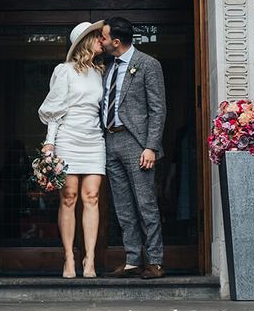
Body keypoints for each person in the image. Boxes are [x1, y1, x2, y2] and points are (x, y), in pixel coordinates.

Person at [38, 21, 107, 279]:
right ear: (84, 41)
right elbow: (55, 111)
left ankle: (90, 259)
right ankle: (69, 256)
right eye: (97, 37)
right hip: (68, 136)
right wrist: (50, 142)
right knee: (69, 197)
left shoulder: (101, 72)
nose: (102, 40)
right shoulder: (64, 71)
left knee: (92, 197)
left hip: (94, 139)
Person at [101, 17, 167, 280]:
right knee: (123, 206)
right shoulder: (108, 67)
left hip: (137, 143)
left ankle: (156, 261)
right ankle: (132, 260)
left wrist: (151, 146)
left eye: (103, 37)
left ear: (116, 41)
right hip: (110, 140)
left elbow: (157, 108)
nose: (101, 42)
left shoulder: (148, 64)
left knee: (145, 204)